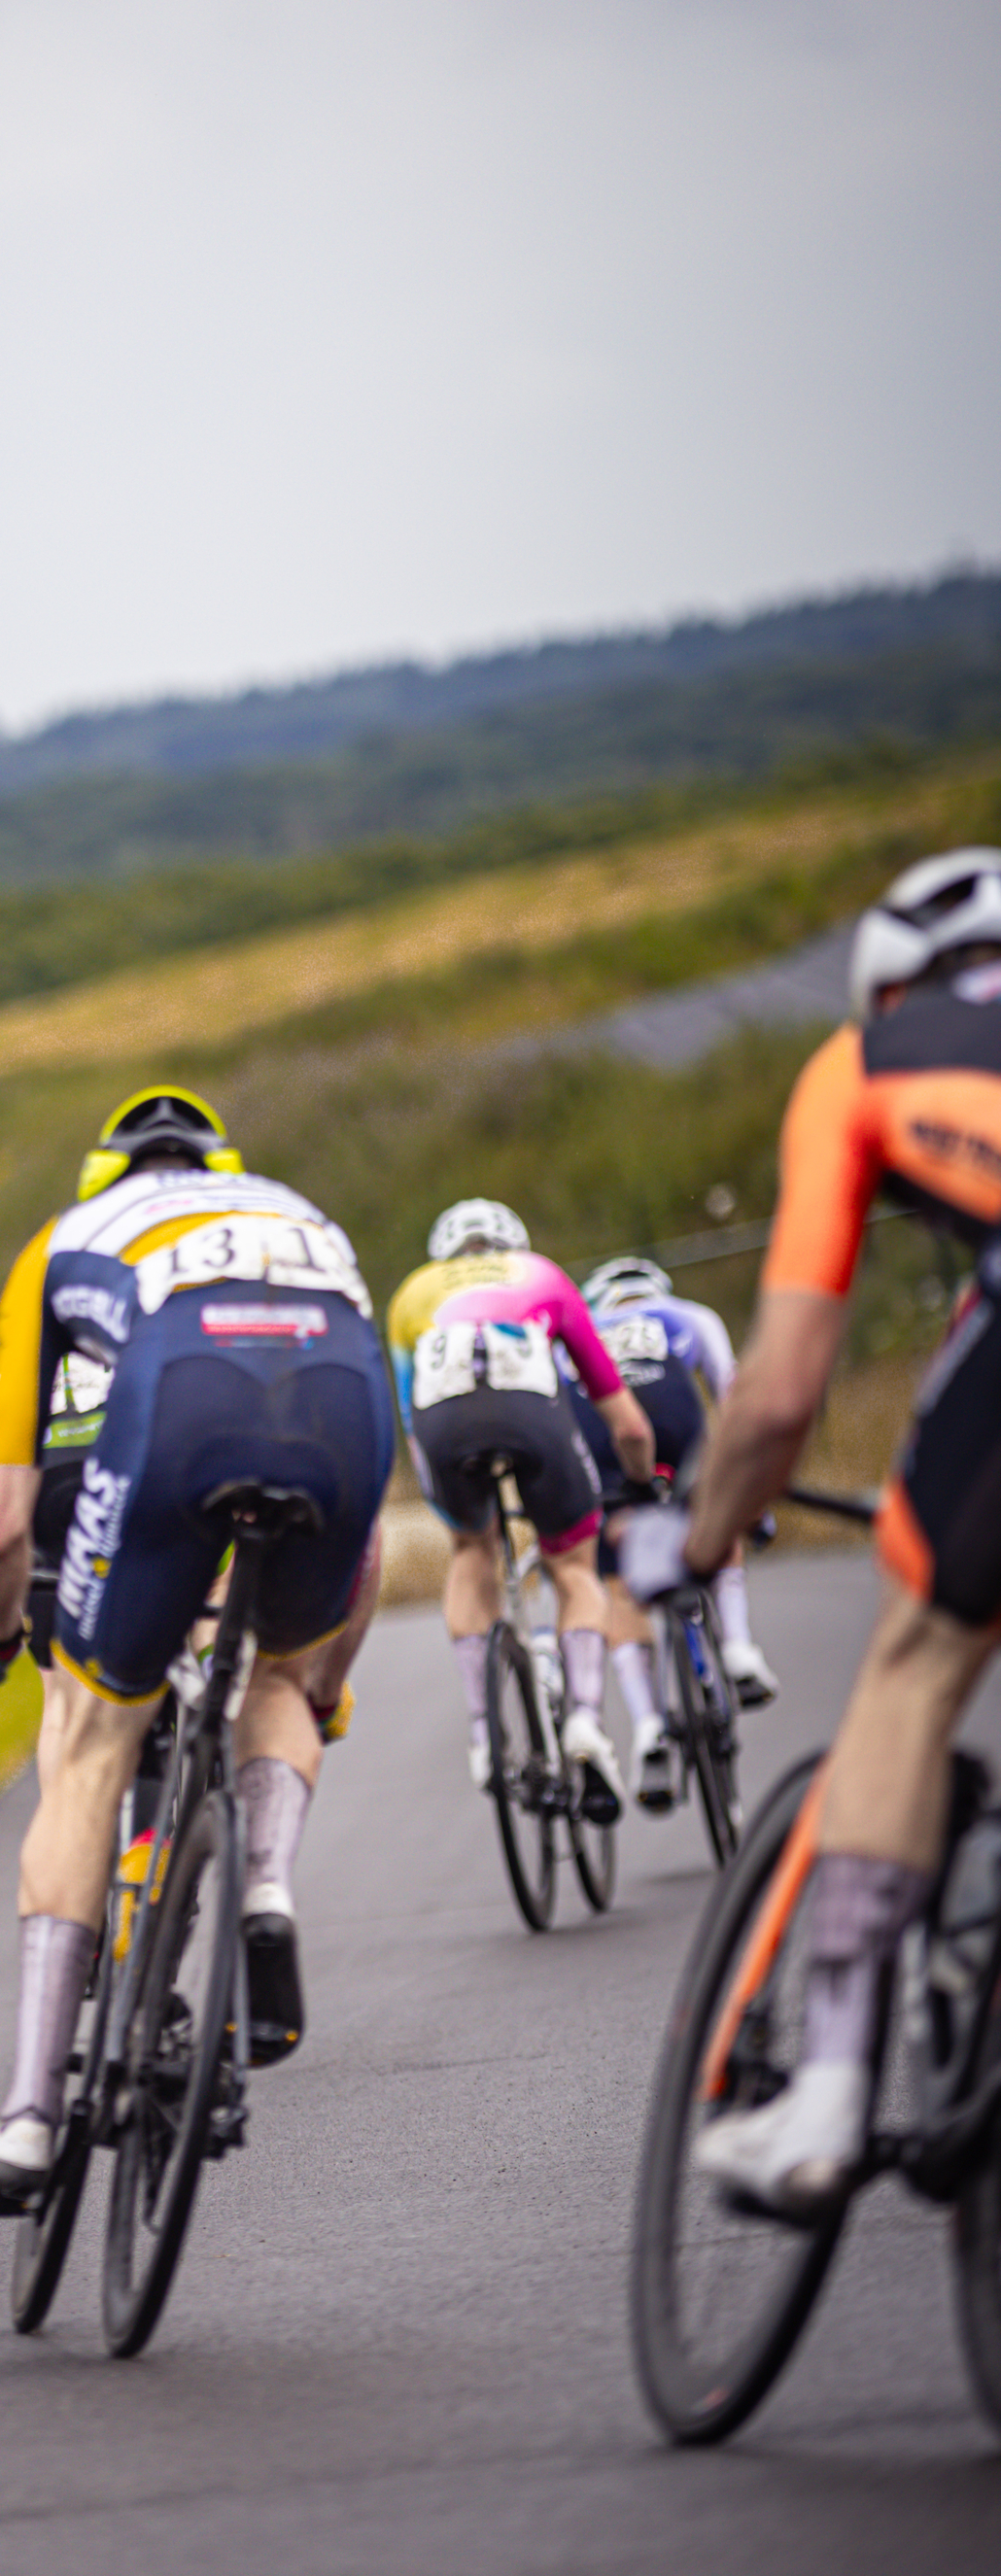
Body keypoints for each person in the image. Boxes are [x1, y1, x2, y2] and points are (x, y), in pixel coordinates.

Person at [622, 847, 1001, 2217]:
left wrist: (707, 1543)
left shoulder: (867, 1061)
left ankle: (829, 2094)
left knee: (914, 1662)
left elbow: (777, 1396)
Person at [0, 1085, 394, 2215]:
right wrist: (319, 1688)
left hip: (174, 1416)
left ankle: (29, 2115)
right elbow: (373, 1542)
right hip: (337, 1409)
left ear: (109, 1178)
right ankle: (265, 1884)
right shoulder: (305, 1216)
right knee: (274, 1680)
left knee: (93, 1743)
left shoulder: (65, 1237)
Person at [386, 1200, 655, 1814]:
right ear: (513, 1244)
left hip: (443, 1424)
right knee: (574, 1568)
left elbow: (409, 1415)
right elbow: (627, 1422)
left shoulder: (411, 1294)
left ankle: (485, 1733)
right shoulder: (542, 1275)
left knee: (472, 1551)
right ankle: (586, 1718)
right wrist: (641, 1479)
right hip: (533, 1413)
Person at [567, 1255, 778, 1812]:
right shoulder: (688, 1314)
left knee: (618, 1587)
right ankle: (737, 1648)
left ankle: (648, 1727)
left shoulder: (583, 1332)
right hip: (675, 1413)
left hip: (605, 1428)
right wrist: (750, 1499)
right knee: (714, 1511)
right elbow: (734, 1395)